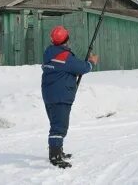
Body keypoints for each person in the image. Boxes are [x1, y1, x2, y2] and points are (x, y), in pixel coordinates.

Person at [41, 25, 99, 169]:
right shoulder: (64, 57)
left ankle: (58, 150)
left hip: (49, 94)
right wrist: (91, 62)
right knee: (59, 127)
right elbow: (83, 68)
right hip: (60, 96)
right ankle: (55, 156)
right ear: (66, 39)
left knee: (56, 123)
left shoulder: (49, 52)